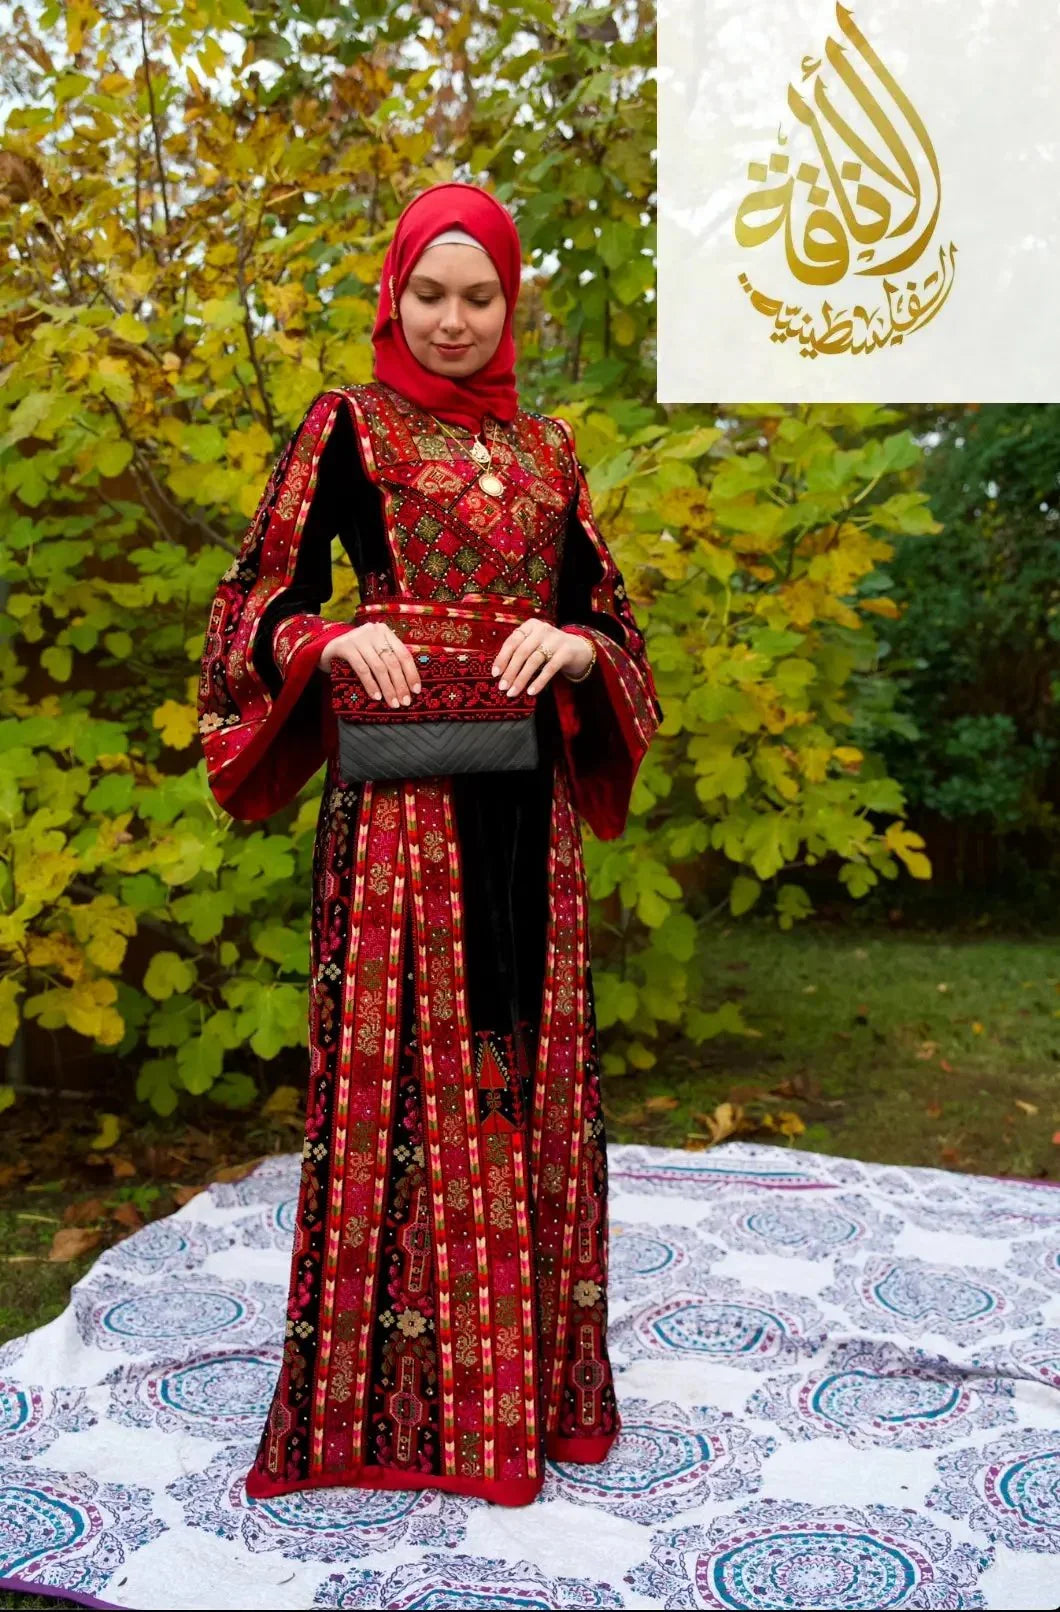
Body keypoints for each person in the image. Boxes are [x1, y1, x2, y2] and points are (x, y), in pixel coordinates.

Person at [197, 181, 662, 1506]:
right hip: (403, 818)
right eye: (429, 293)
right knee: (416, 1076)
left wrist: (575, 648)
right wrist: (334, 639)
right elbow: (251, 604)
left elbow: (615, 631)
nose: (453, 319)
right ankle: (391, 1412)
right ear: (395, 295)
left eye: (481, 296)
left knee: (529, 1074)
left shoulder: (552, 452)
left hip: (531, 816)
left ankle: (535, 1393)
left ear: (512, 304)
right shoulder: (347, 428)